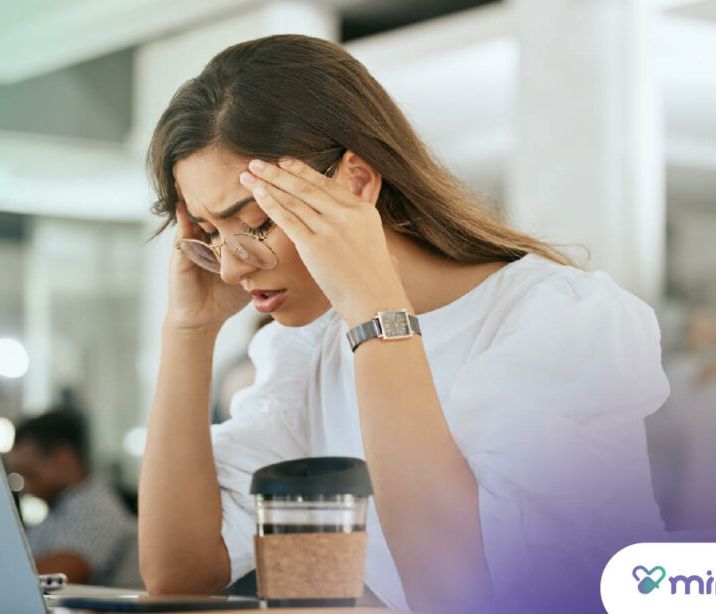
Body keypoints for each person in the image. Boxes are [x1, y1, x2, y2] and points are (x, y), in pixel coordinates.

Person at [138, 35, 668, 613]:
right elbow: (181, 573)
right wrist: (188, 332)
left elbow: (462, 597)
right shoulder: (311, 351)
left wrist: (374, 311)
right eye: (212, 235)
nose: (233, 266)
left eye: (255, 223)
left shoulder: (558, 322)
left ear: (357, 182)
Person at [9, 410, 142, 587]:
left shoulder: (96, 510)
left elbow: (59, 575)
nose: (25, 487)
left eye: (30, 474)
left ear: (64, 458)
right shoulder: (59, 510)